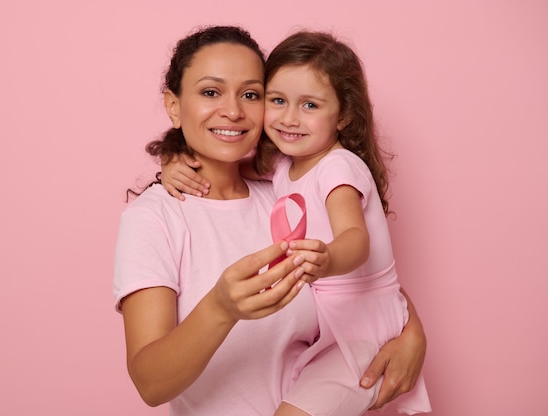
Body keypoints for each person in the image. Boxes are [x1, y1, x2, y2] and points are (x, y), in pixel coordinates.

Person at [115, 26, 427, 416]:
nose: (233, 110)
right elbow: (150, 383)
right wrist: (220, 308)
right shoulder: (155, 216)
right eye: (210, 92)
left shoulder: (284, 194)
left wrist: (413, 333)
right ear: (174, 106)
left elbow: (363, 274)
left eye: (251, 94)